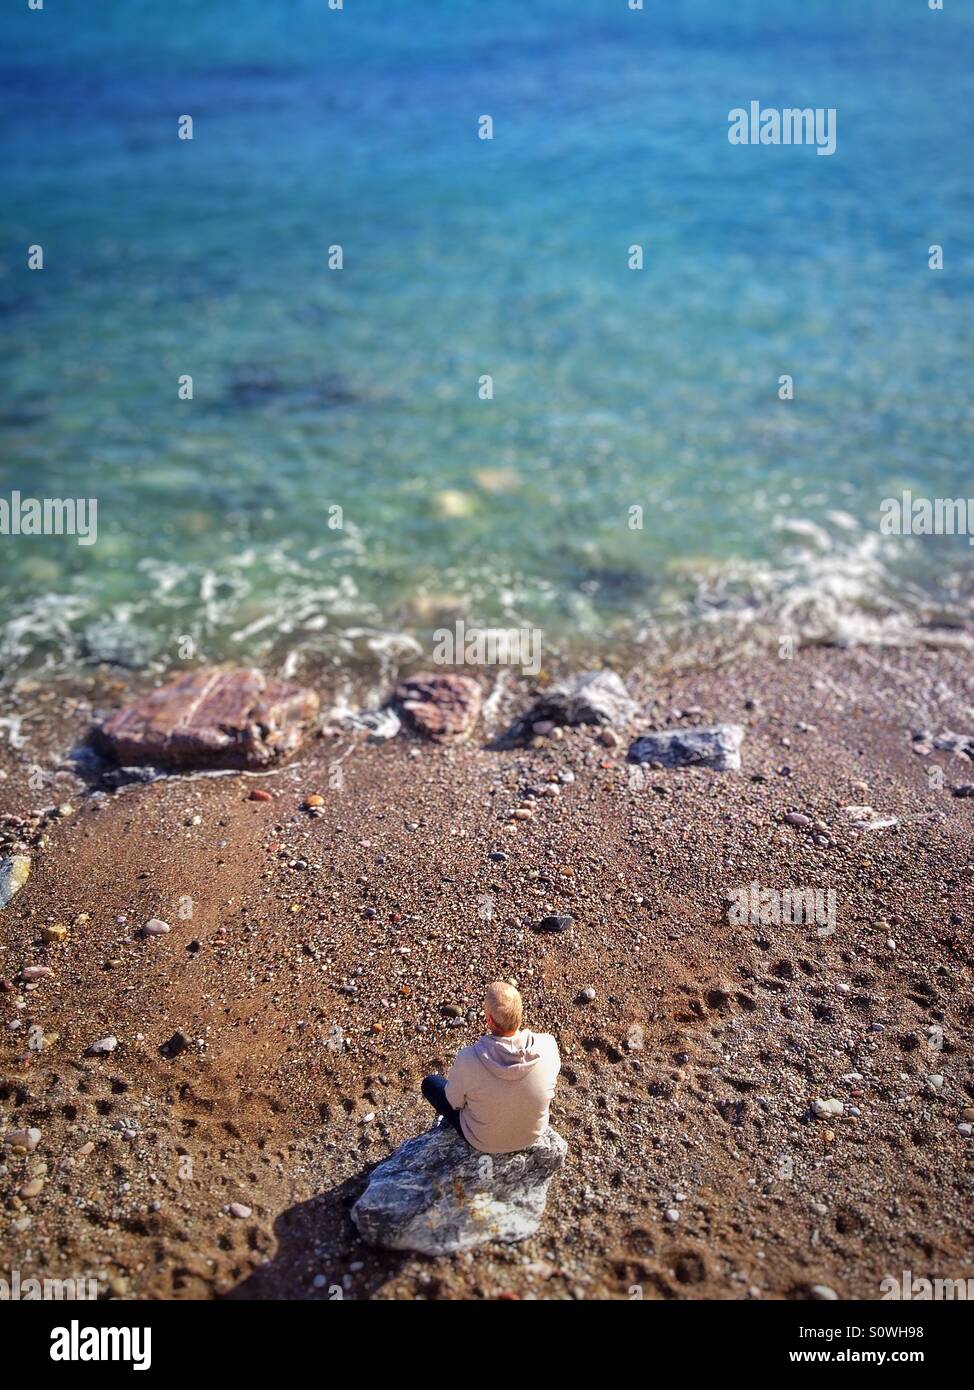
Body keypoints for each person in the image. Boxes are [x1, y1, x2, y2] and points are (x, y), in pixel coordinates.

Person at [421, 981, 560, 1154]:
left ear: (489, 1020)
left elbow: (454, 1102)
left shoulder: (468, 1059)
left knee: (431, 1083)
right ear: (520, 1013)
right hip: (532, 1134)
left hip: (482, 1140)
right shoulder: (548, 1045)